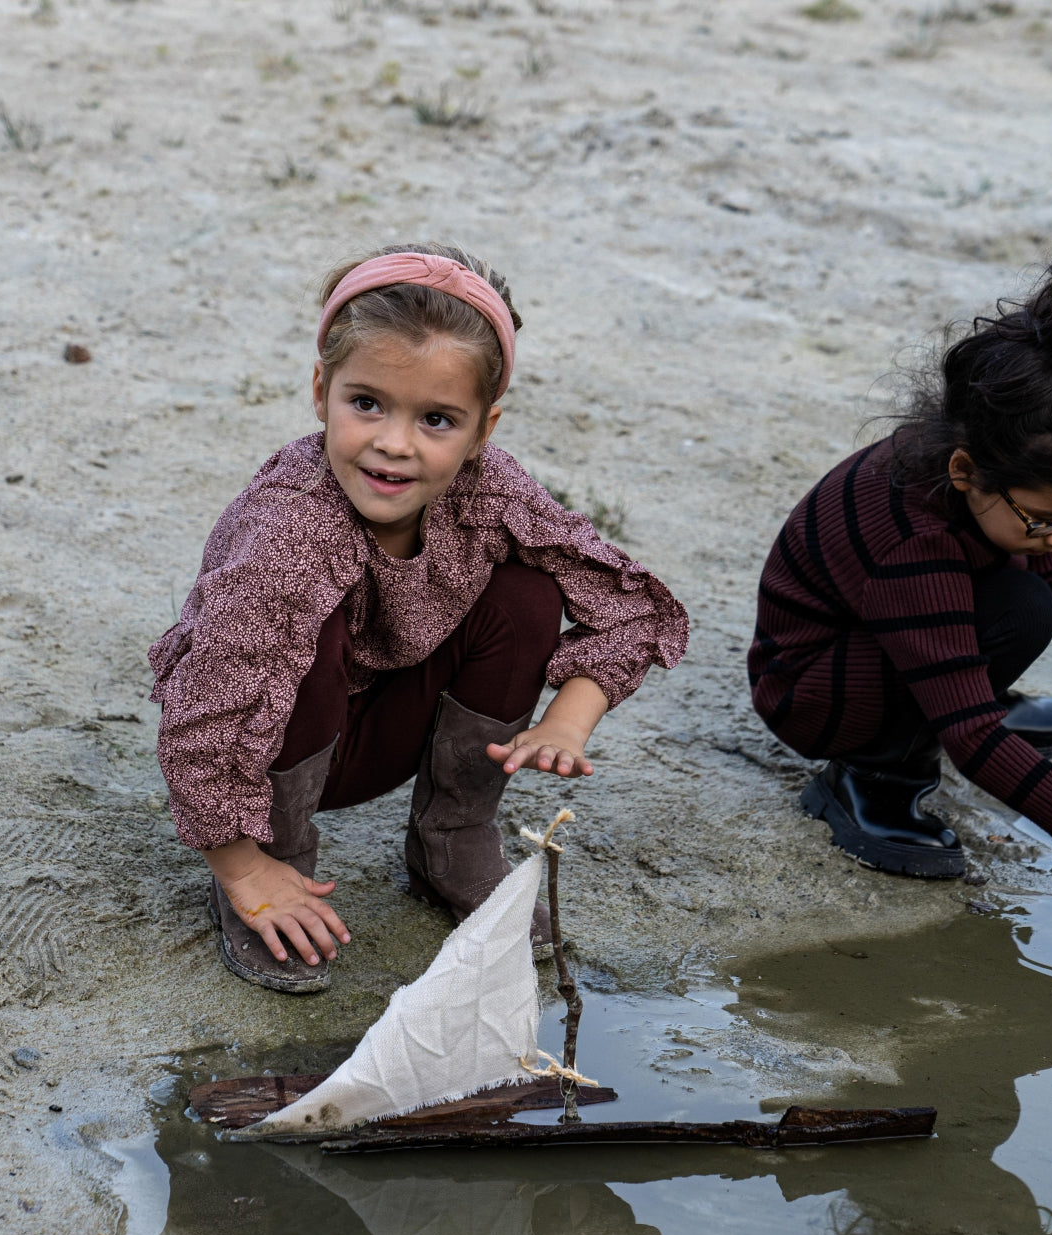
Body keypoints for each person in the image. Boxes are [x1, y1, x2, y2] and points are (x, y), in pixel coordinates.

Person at [150, 244, 689, 992]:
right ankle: (279, 863)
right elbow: (206, 717)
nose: (395, 444)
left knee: (527, 592)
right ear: (320, 389)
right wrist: (241, 868)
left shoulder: (488, 489)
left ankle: (453, 837)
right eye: (366, 402)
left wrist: (569, 720)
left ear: (483, 430)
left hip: (394, 727)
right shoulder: (289, 532)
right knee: (307, 623)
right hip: (278, 749)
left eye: (437, 419)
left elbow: (628, 605)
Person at [749, 240, 1052, 879]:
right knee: (1019, 610)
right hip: (813, 694)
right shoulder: (916, 541)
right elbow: (972, 737)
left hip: (885, 643)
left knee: (1030, 591)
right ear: (968, 471)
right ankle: (874, 774)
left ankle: (948, 698)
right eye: (1050, 520)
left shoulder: (977, 476)